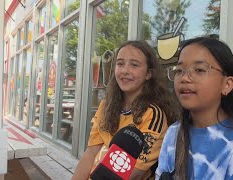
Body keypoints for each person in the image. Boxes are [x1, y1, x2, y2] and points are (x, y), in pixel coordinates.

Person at [156, 37, 233, 180]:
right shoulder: (174, 133)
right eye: (179, 70)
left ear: (227, 84)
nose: (184, 78)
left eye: (199, 70)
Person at [72, 41, 174, 180]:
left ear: (148, 74)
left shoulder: (153, 115)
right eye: (120, 64)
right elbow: (90, 154)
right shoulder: (105, 106)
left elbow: (135, 173)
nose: (125, 70)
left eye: (134, 65)